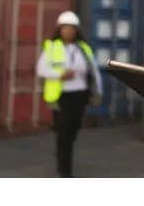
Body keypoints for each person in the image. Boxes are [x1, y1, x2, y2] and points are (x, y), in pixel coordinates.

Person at [37, 11, 103, 183]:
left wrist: (98, 92)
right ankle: (63, 171)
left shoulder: (84, 48)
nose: (68, 31)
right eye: (65, 28)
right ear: (59, 30)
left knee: (73, 132)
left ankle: (65, 168)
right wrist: (60, 75)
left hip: (79, 96)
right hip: (61, 97)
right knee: (64, 134)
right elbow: (41, 70)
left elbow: (94, 71)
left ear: (76, 30)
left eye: (71, 28)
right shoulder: (51, 47)